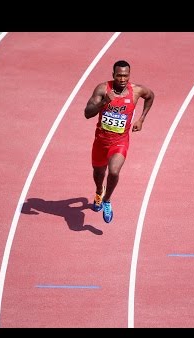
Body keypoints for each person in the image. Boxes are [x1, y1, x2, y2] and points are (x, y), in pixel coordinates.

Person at [84, 60, 155, 223]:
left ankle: (107, 200)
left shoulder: (136, 91)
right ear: (113, 75)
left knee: (114, 171)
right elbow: (87, 113)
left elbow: (150, 96)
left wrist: (141, 119)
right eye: (119, 76)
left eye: (125, 75)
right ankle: (98, 192)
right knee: (98, 173)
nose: (122, 79)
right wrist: (103, 102)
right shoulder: (102, 89)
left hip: (120, 142)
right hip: (101, 141)